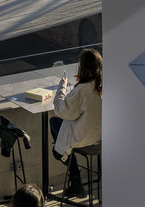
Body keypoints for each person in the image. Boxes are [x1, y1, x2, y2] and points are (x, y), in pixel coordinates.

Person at [50, 50, 103, 199]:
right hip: (100, 140)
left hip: (83, 140)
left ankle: (74, 178)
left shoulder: (82, 90)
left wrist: (62, 86)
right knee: (65, 127)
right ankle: (75, 182)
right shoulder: (101, 86)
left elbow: (61, 110)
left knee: (54, 122)